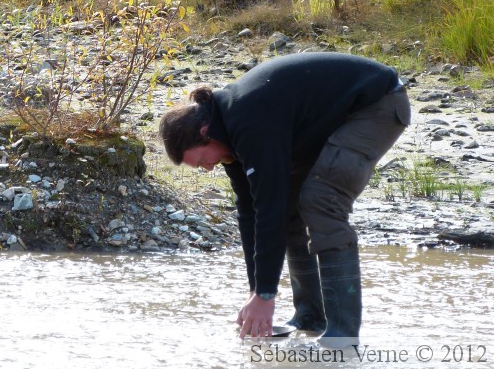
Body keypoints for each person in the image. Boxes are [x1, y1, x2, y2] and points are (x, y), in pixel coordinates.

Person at [159, 52, 410, 347]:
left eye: (201, 161)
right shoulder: (227, 133)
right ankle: (310, 317)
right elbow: (251, 212)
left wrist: (266, 296)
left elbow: (269, 208)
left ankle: (343, 335)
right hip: (330, 119)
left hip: (377, 104)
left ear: (204, 133)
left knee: (321, 202)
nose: (208, 168)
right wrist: (257, 291)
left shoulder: (248, 120)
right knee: (291, 213)